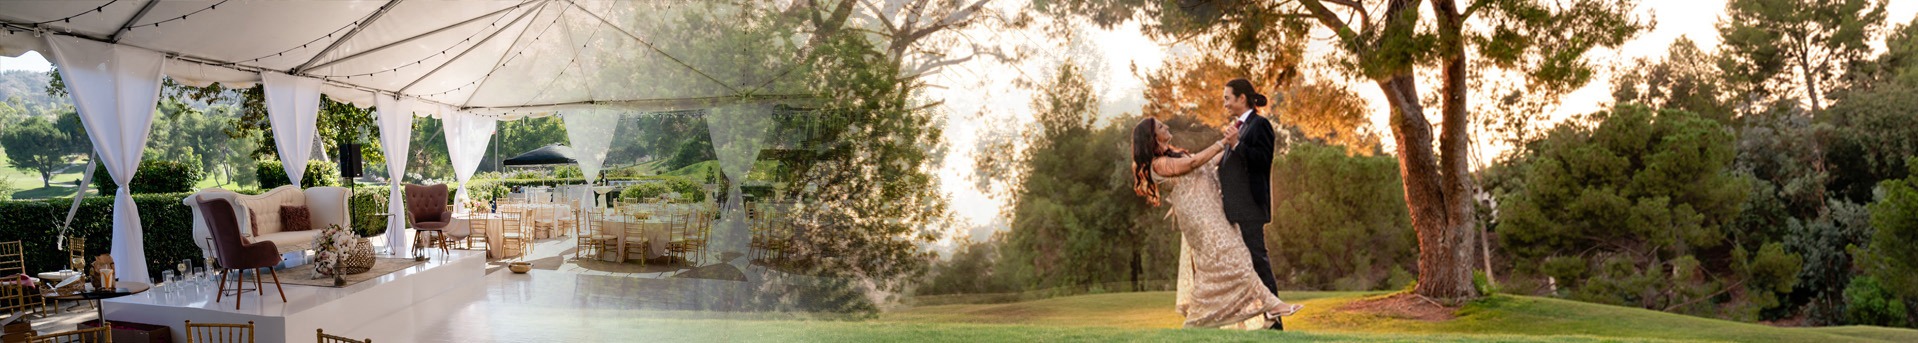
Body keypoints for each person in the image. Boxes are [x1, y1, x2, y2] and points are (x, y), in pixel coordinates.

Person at [1132, 115, 1300, 329]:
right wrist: (1221, 142)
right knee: (1236, 257)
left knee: (1220, 265)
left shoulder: (1175, 154)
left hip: (1214, 212)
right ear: (1152, 137)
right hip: (1199, 220)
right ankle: (1272, 306)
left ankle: (1197, 321)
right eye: (1161, 127)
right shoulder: (1159, 165)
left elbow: (1209, 162)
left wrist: (1235, 143)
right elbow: (1193, 163)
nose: (1166, 127)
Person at [1215, 78, 1284, 330]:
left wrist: (1236, 145)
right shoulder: (1238, 127)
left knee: (1258, 263)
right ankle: (1251, 323)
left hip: (1250, 209)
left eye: (1227, 98)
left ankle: (1276, 325)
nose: (1225, 103)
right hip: (1235, 209)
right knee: (1245, 267)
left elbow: (1262, 161)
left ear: (1241, 98)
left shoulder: (1260, 125)